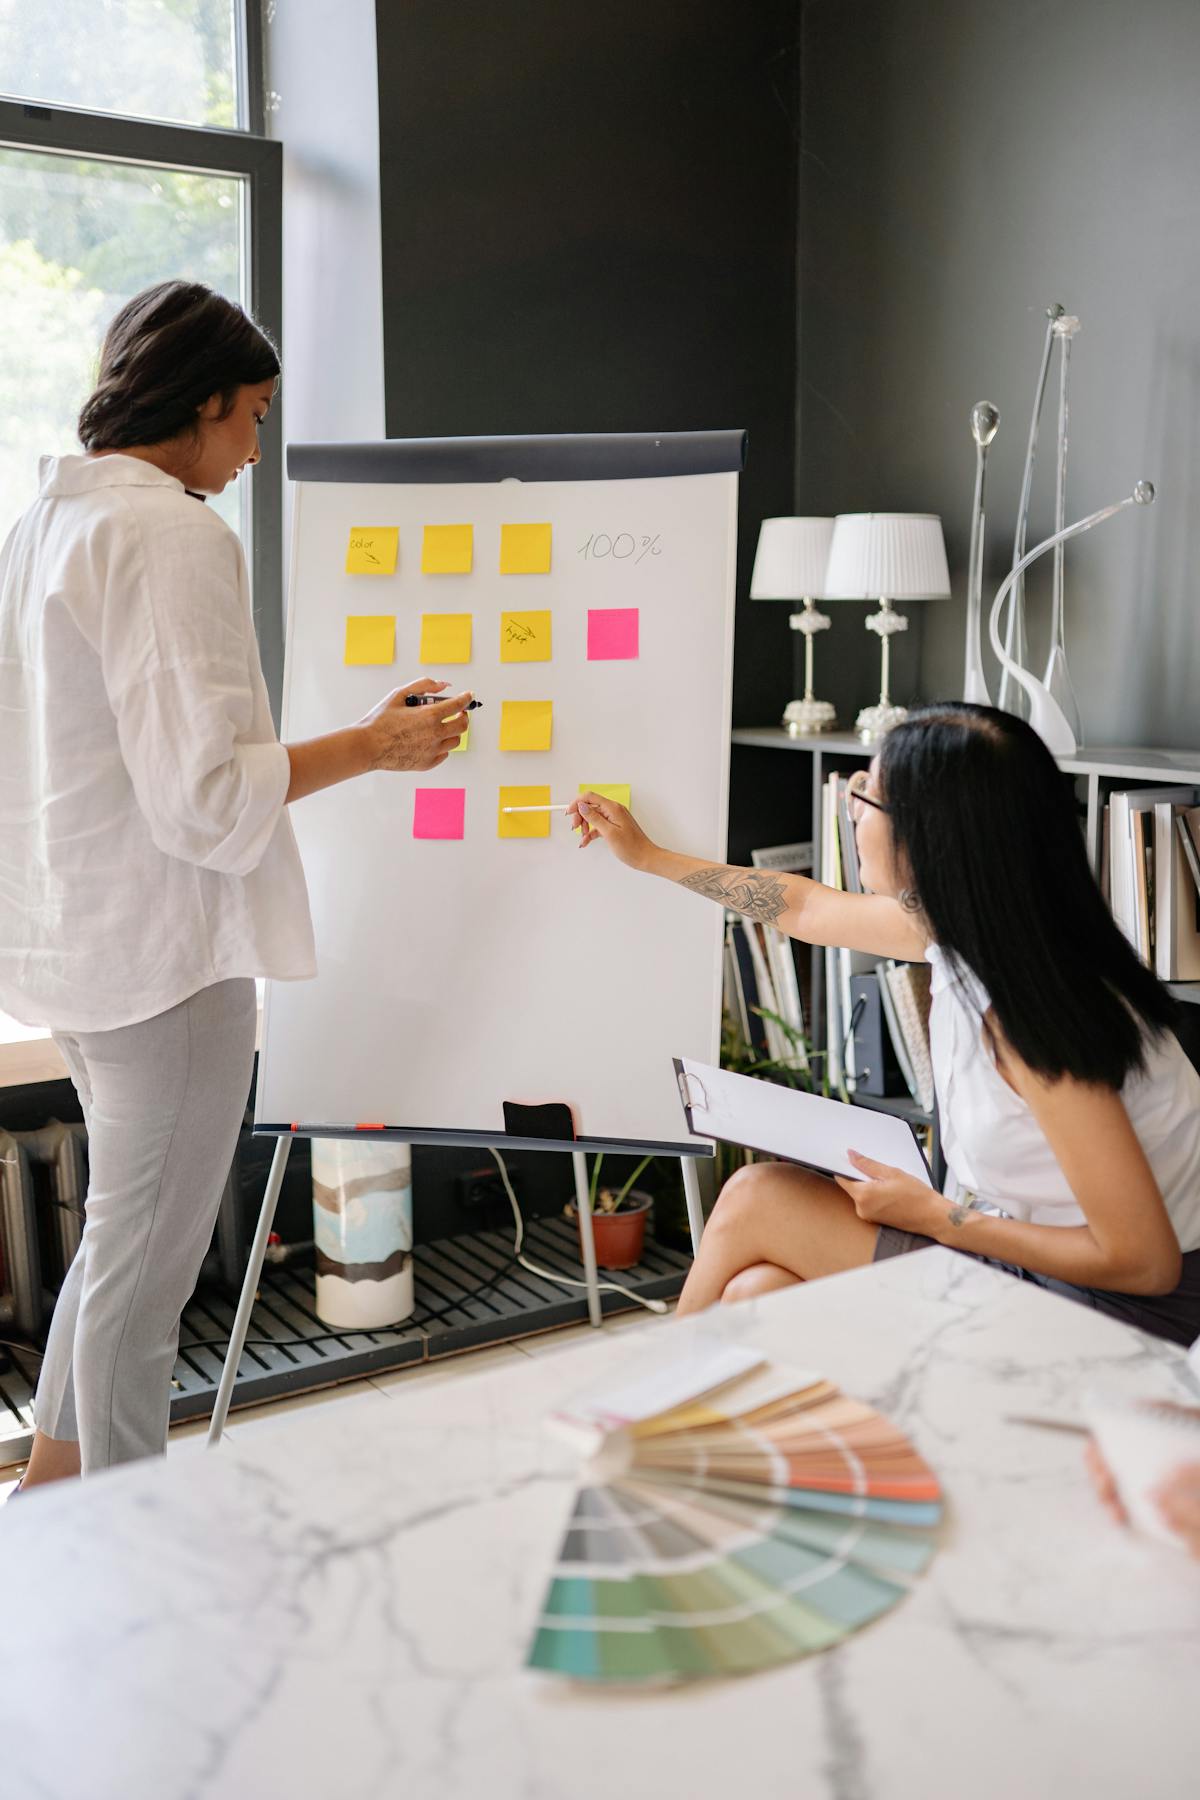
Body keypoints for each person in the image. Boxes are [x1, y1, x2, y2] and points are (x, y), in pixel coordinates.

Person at [0, 280, 471, 1486]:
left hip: (76, 948)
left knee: (119, 1247)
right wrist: (376, 744)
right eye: (255, 413)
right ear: (202, 401)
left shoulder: (47, 521)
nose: (257, 447)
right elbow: (205, 797)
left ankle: (55, 1504)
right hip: (166, 961)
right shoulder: (170, 532)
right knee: (144, 1279)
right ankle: (126, 1543)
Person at [567, 703, 1200, 1341]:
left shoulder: (1037, 1009)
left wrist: (940, 1218)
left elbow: (1144, 1263)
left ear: (928, 837)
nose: (851, 800)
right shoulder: (980, 929)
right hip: (1027, 1266)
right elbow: (805, 907)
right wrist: (649, 857)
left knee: (757, 1198)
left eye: (867, 790)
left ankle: (640, 1401)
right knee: (757, 1293)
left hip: (1115, 1315)